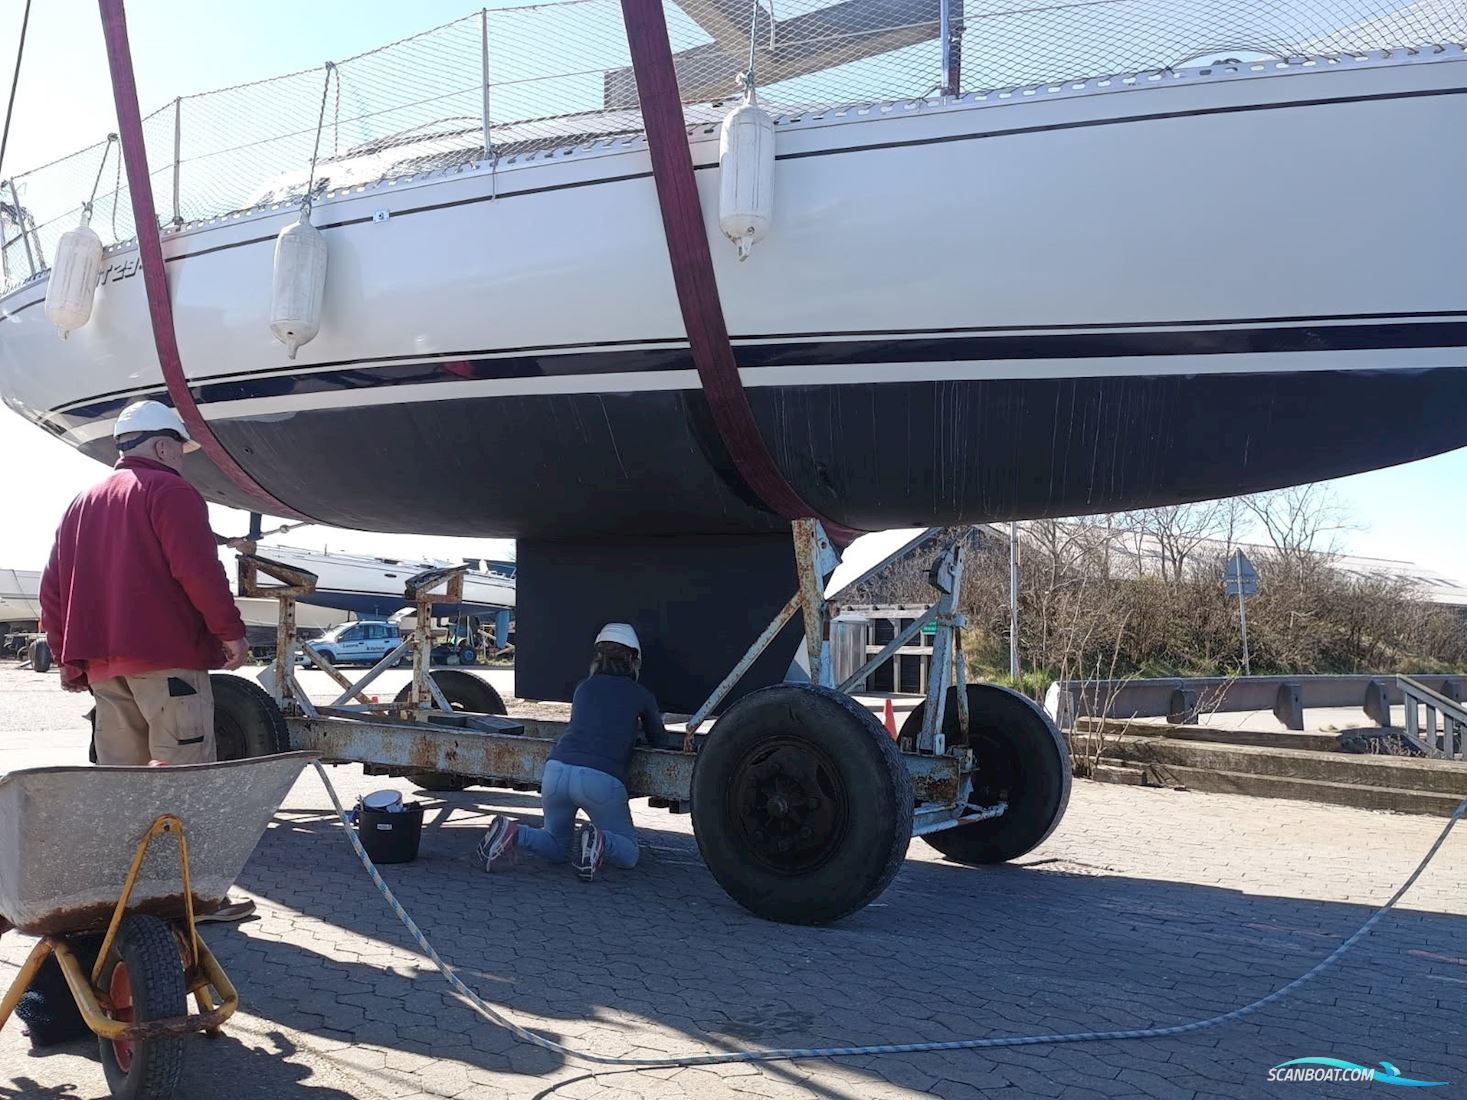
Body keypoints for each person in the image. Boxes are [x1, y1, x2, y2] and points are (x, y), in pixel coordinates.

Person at [39, 400, 255, 922]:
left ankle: (125, 897)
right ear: (162, 445)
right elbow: (198, 571)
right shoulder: (169, 490)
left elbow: (53, 590)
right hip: (168, 664)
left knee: (122, 785)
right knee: (184, 778)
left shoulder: (82, 502)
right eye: (180, 448)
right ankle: (190, 901)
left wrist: (72, 662)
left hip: (107, 674)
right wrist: (230, 633)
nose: (183, 458)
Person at [477, 623, 664, 881]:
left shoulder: (584, 688)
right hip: (600, 778)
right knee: (629, 853)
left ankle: (514, 832)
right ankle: (600, 840)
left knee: (557, 845)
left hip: (556, 771)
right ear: (634, 659)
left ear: (599, 657)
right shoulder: (641, 694)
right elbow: (660, 740)